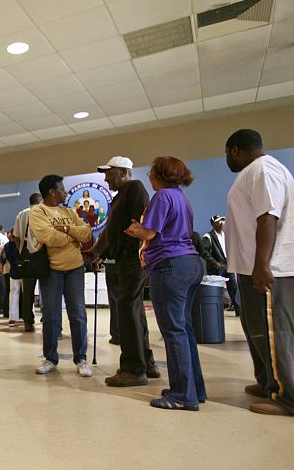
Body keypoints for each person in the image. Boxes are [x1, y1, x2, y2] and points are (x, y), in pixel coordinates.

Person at [224, 129, 294, 417]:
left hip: (271, 267)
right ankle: (269, 382)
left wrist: (262, 264)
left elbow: (268, 217)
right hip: (253, 266)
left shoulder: (263, 170)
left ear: (235, 150)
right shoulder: (256, 171)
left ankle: (288, 396)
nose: (227, 159)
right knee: (257, 328)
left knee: (276, 330)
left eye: (227, 153)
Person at [125, 156, 205, 410]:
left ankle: (181, 395)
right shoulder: (181, 197)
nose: (149, 176)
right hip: (191, 262)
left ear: (159, 175)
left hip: (169, 265)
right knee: (184, 329)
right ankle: (194, 390)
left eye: (151, 172)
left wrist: (136, 229)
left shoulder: (161, 196)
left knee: (173, 331)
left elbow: (150, 233)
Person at [90, 156, 159, 386]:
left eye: (109, 174)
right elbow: (114, 231)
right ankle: (146, 363)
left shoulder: (135, 188)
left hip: (131, 260)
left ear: (122, 172)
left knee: (128, 312)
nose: (106, 179)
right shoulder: (121, 195)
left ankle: (133, 369)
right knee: (134, 311)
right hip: (124, 259)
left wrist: (128, 249)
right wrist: (100, 252)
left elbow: (139, 226)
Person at [30, 175, 93, 377]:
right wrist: (74, 236)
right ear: (52, 192)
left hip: (75, 268)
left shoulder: (69, 211)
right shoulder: (38, 211)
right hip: (51, 270)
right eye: (62, 189)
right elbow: (49, 237)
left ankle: (81, 359)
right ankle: (50, 358)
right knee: (51, 316)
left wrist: (66, 228)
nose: (65, 192)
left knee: (78, 314)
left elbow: (87, 233)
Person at [13, 192, 43, 332]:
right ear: (39, 200)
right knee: (46, 289)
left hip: (27, 257)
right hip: (42, 256)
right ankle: (46, 317)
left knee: (28, 292)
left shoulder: (22, 214)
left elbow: (16, 236)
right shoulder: (43, 212)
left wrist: (20, 250)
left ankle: (28, 322)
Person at [202, 215, 240, 315]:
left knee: (233, 287)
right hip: (216, 267)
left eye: (222, 220)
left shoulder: (226, 235)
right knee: (217, 289)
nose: (222, 223)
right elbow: (204, 252)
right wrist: (213, 262)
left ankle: (238, 309)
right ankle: (216, 311)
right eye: (218, 221)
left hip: (228, 265)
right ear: (213, 224)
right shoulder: (207, 236)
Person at [0, 230, 21, 327]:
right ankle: (29, 317)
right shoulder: (24, 244)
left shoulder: (8, 246)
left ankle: (12, 318)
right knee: (28, 294)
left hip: (13, 271)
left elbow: (4, 258)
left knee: (13, 294)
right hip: (26, 271)